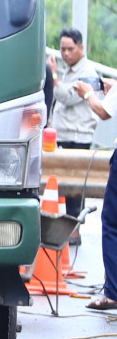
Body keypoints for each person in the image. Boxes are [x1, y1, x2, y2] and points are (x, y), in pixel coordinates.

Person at [50, 28, 117, 310]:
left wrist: (90, 93)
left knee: (111, 223)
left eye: (69, 48)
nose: (65, 54)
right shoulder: (70, 71)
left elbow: (102, 111)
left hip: (78, 137)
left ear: (80, 47)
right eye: (61, 49)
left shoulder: (83, 73)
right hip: (64, 135)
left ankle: (112, 292)